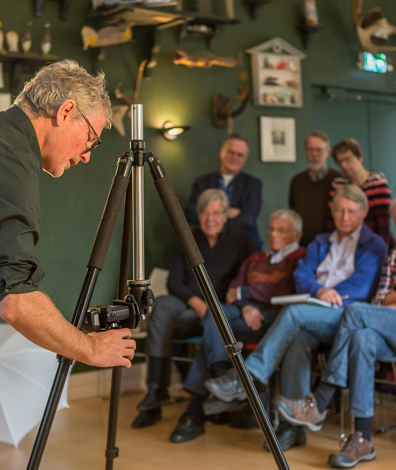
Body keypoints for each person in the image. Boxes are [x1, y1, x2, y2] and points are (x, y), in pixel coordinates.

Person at [205, 185, 387, 451]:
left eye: (351, 211)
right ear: (332, 211)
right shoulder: (320, 241)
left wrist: (329, 294)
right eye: (339, 210)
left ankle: (248, 377)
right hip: (315, 311)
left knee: (294, 313)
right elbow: (301, 278)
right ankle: (293, 428)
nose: (344, 216)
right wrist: (319, 290)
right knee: (297, 339)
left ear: (363, 212)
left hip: (347, 315)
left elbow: (362, 286)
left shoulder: (374, 245)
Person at [0, 61, 136, 368]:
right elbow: (15, 301)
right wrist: (91, 348)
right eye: (91, 139)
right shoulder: (11, 158)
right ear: (65, 112)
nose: (87, 156)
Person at [274, 199, 396, 468]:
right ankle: (363, 438)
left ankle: (320, 400)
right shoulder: (394, 253)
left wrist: (391, 300)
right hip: (389, 326)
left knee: (355, 312)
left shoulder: (374, 246)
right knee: (361, 337)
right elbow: (382, 297)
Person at [168, 209, 306, 444]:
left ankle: (197, 408)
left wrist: (248, 294)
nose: (273, 234)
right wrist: (246, 305)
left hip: (276, 318)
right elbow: (232, 291)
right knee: (216, 312)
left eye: (281, 230)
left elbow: (284, 291)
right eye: (271, 228)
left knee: (220, 336)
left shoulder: (301, 257)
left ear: (296, 234)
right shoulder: (255, 259)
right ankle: (223, 377)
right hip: (246, 312)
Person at [132, 189, 253, 429]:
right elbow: (173, 282)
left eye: (216, 213)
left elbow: (247, 279)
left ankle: (174, 396)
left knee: (167, 318)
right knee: (163, 305)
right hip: (188, 307)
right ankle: (156, 391)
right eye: (205, 213)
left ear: (226, 215)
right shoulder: (186, 238)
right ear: (198, 215)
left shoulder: (241, 240)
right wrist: (196, 302)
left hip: (219, 312)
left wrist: (215, 305)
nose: (211, 219)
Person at [185, 133, 263, 252]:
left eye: (240, 155)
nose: (234, 158)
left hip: (242, 247)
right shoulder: (202, 182)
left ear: (245, 158)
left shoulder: (253, 184)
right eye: (231, 152)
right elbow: (190, 214)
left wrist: (211, 220)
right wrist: (227, 213)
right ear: (222, 151)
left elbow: (248, 220)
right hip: (205, 246)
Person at [326, 138, 395, 250]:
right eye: (339, 162)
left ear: (359, 158)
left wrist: (381, 250)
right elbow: (331, 218)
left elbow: (384, 223)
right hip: (344, 244)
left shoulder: (377, 181)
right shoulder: (338, 183)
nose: (343, 165)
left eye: (348, 159)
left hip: (373, 243)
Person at [289, 131, 340, 246]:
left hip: (331, 245)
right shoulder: (296, 181)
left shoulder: (338, 180)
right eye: (310, 149)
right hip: (302, 245)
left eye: (318, 150)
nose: (314, 154)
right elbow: (293, 214)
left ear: (328, 151)